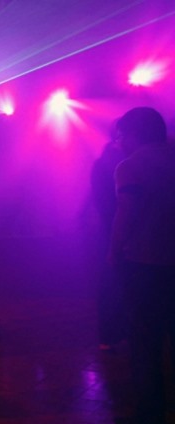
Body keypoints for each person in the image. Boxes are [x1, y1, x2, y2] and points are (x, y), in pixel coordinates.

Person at [109, 107, 175, 424]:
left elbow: (127, 212)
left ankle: (151, 419)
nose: (118, 141)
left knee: (145, 344)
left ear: (134, 134)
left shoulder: (130, 166)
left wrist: (113, 250)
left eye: (121, 134)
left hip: (145, 264)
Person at [90, 140, 127, 351]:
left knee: (110, 285)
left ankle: (110, 336)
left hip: (107, 231)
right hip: (117, 232)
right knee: (117, 285)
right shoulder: (124, 165)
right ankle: (116, 335)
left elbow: (101, 203)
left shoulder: (102, 164)